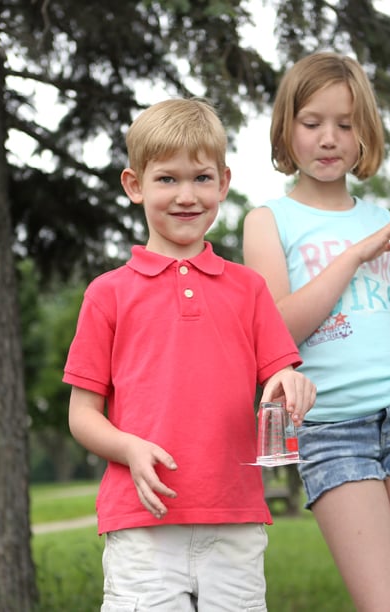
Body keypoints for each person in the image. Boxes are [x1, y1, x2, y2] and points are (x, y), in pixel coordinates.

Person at [63, 98, 317, 611]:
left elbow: (281, 375)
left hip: (235, 520)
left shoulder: (248, 289)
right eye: (167, 179)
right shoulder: (107, 294)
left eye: (201, 178)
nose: (186, 195)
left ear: (223, 183)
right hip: (142, 522)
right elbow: (82, 416)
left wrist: (294, 384)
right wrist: (129, 448)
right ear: (134, 185)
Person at [242, 51, 390, 612]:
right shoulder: (267, 221)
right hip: (334, 428)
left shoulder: (382, 218)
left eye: (345, 124)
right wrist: (354, 256)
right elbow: (277, 329)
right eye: (312, 122)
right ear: (287, 127)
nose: (329, 138)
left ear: (364, 133)